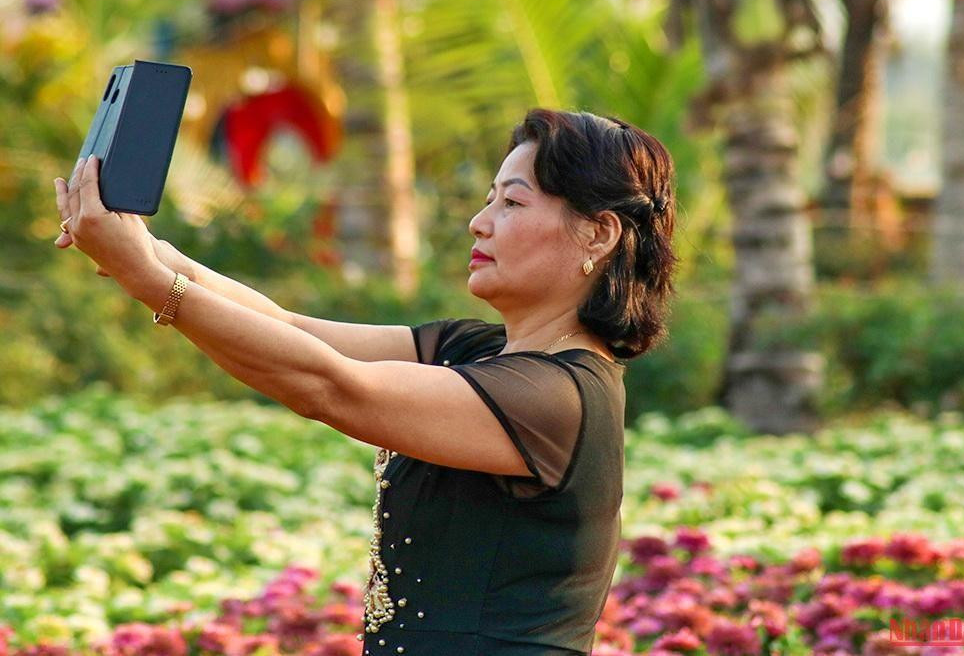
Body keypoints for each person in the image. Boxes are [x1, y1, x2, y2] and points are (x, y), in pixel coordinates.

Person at [53, 108, 678, 655]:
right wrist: (143, 247)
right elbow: (291, 330)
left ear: (598, 233)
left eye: (512, 202)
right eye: (490, 197)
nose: (478, 222)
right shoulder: (474, 351)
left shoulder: (556, 399)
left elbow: (327, 386)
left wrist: (147, 279)